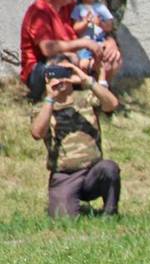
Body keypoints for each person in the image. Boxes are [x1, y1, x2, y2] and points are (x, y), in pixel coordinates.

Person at [30, 59, 120, 217]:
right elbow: (37, 133)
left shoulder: (86, 99)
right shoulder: (43, 108)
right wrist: (50, 98)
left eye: (65, 74)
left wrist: (88, 80)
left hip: (93, 172)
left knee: (109, 168)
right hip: (65, 176)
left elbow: (112, 104)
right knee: (63, 218)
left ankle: (110, 212)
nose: (61, 79)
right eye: (55, 74)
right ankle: (69, 200)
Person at [20, 0, 121, 101]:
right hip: (42, 70)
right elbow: (47, 49)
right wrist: (84, 43)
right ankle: (83, 89)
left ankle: (94, 93)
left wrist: (110, 41)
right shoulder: (39, 12)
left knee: (112, 58)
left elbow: (94, 27)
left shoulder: (71, 7)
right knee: (60, 67)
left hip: (74, 63)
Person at [70, 0, 114, 74]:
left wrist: (100, 23)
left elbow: (109, 26)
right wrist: (85, 22)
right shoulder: (78, 9)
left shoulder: (101, 8)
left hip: (100, 42)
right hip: (84, 44)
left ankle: (102, 80)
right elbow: (75, 28)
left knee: (104, 62)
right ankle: (88, 80)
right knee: (83, 64)